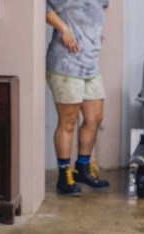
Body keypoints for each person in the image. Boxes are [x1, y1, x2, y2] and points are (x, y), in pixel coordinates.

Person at [46, 0, 110, 196]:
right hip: (66, 64)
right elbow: (43, 9)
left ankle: (82, 167)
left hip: (90, 64)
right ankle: (64, 177)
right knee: (68, 122)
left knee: (95, 118)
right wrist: (64, 28)